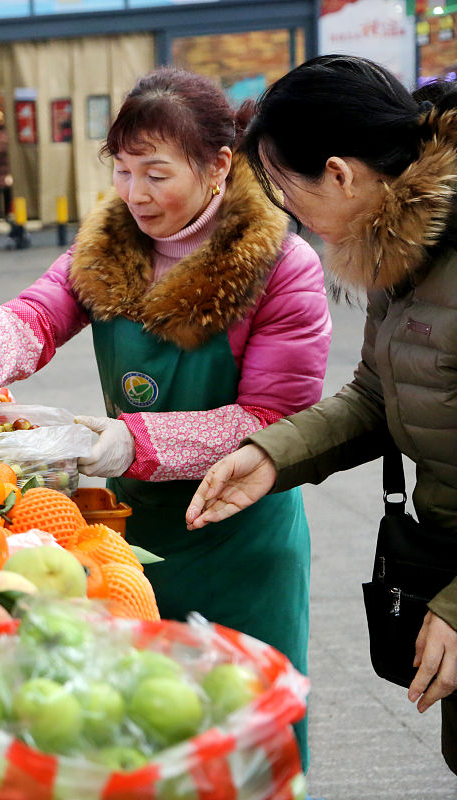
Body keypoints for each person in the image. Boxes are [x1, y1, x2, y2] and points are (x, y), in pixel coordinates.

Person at [0, 67, 331, 767]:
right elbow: (35, 316)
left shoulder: (281, 267)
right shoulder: (109, 246)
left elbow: (277, 418)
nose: (135, 195)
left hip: (240, 542)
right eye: (123, 172)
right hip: (131, 535)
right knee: (143, 734)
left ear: (219, 165)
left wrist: (132, 439)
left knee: (248, 737)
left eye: (156, 174)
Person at [184, 54, 457, 775]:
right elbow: (376, 393)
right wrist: (273, 455)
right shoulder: (403, 253)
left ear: (339, 173)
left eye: (284, 189)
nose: (284, 212)